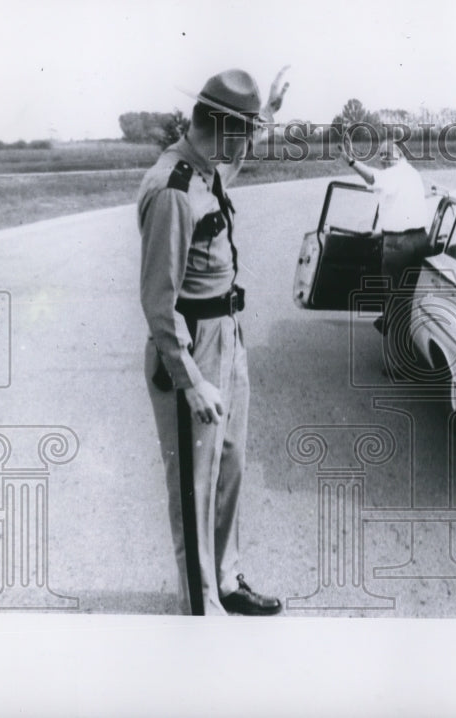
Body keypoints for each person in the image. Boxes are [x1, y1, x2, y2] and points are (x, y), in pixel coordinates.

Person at [138, 66, 289, 615]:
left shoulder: (206, 167)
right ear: (222, 127)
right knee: (194, 484)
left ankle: (224, 580)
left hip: (227, 334)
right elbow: (159, 302)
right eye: (245, 130)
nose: (249, 142)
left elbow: (238, 157)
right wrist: (192, 380)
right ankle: (201, 612)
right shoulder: (173, 190)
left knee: (229, 466)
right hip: (191, 346)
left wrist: (267, 110)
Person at [339, 137, 428, 373]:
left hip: (398, 245)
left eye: (383, 157)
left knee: (396, 301)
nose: (382, 161)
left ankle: (397, 364)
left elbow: (372, 177)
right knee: (407, 298)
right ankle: (396, 333)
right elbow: (401, 207)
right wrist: (380, 232)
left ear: (394, 156)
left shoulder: (393, 173)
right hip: (420, 240)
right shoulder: (412, 174)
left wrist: (350, 161)